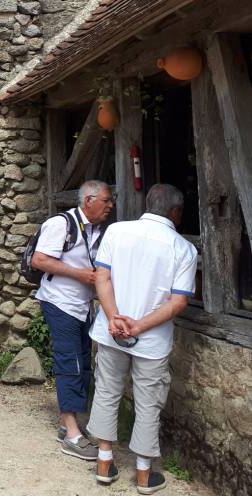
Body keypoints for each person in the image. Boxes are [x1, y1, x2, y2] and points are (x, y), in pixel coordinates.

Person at [87, 184, 197, 494]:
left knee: (107, 390)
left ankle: (105, 463)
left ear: (147, 204)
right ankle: (146, 474)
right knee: (149, 404)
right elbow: (178, 303)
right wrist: (138, 327)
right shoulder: (183, 249)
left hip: (111, 332)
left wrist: (114, 318)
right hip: (151, 341)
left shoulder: (117, 232)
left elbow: (102, 278)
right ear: (176, 213)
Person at [32, 179, 114, 460]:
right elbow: (40, 261)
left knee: (82, 361)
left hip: (81, 306)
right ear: (88, 201)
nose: (110, 205)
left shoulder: (98, 230)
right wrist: (81, 275)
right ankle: (71, 433)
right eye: (106, 200)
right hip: (59, 302)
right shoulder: (61, 224)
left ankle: (69, 422)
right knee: (70, 361)